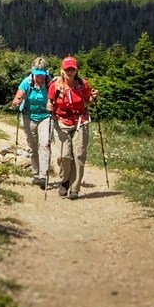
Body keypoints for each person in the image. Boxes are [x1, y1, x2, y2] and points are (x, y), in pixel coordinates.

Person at [47, 55, 98, 200]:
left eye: (72, 69)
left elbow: (88, 101)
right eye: (67, 69)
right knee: (64, 156)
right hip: (61, 122)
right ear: (62, 70)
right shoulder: (55, 85)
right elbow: (49, 102)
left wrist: (93, 97)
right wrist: (49, 106)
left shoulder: (83, 84)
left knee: (79, 155)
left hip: (81, 121)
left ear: (76, 70)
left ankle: (74, 188)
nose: (69, 72)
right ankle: (64, 180)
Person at [10, 57, 52, 188]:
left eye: (42, 75)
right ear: (33, 72)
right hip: (29, 116)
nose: (40, 78)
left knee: (44, 144)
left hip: (45, 116)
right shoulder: (26, 82)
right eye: (37, 75)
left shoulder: (50, 83)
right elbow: (16, 99)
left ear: (46, 73)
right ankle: (35, 173)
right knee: (33, 147)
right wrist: (16, 102)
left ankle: (43, 176)